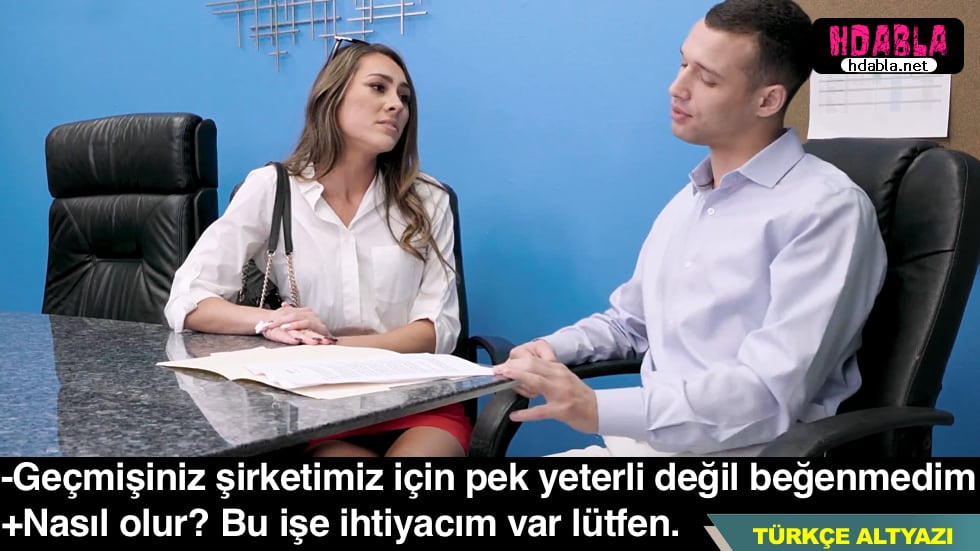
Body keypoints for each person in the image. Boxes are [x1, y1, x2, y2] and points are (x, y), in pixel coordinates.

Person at [493, 0, 888, 457]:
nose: (677, 88)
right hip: (639, 447)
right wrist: (551, 348)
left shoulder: (826, 210)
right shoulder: (690, 201)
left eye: (707, 78)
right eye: (683, 64)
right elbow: (631, 324)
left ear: (768, 100)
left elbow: (767, 394)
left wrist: (596, 408)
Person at [164, 38, 469, 458]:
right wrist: (271, 322)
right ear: (332, 97)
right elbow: (188, 302)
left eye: (404, 97)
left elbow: (437, 330)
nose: (396, 105)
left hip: (415, 396)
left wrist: (329, 349)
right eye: (378, 87)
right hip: (315, 404)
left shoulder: (428, 199)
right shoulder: (272, 188)